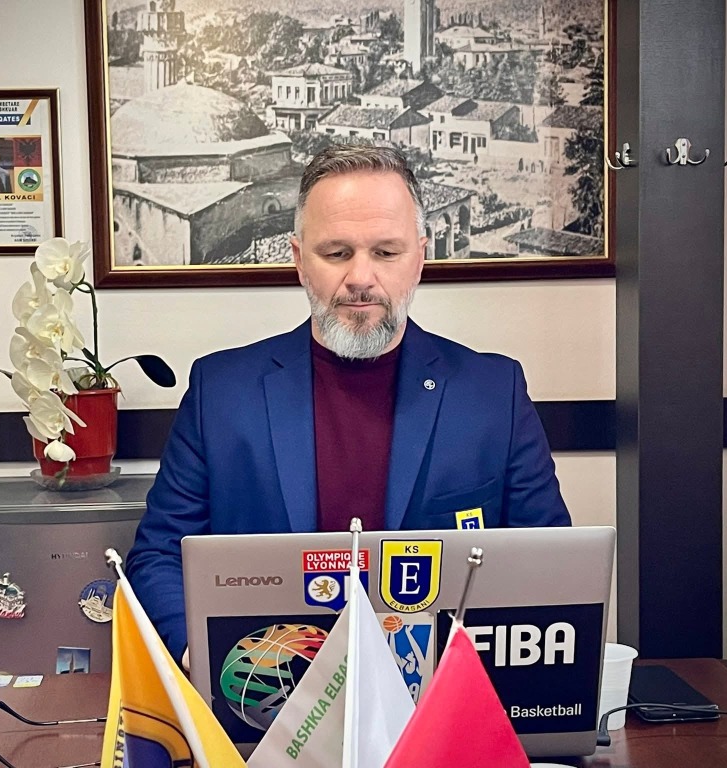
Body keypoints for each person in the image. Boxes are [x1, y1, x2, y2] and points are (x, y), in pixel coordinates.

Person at [129, 144, 570, 662]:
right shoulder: (221, 393)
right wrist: (205, 659)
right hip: (264, 689)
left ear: (420, 258)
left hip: (439, 692)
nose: (360, 278)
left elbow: (549, 564)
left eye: (386, 252)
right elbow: (159, 556)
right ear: (299, 261)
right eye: (337, 253)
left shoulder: (494, 392)